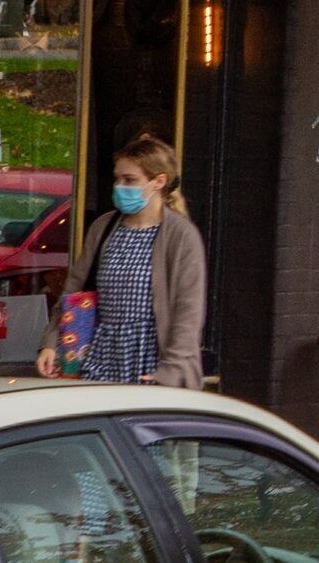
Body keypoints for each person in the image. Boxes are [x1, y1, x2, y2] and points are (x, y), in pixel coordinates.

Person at [42, 134, 205, 388]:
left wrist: (170, 371)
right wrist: (52, 343)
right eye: (117, 178)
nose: (120, 186)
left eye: (130, 180)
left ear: (158, 181)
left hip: (151, 360)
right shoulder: (104, 227)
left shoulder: (181, 235)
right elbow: (74, 287)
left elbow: (188, 312)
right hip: (102, 353)